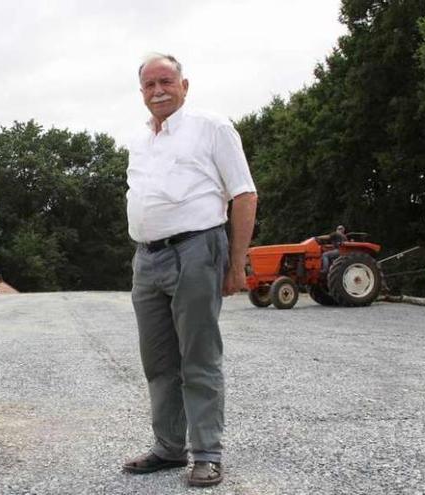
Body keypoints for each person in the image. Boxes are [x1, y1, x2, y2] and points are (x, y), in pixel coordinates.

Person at [122, 53, 258, 487]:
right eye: (149, 85)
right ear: (141, 92)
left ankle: (207, 454)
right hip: (146, 257)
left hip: (197, 249)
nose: (158, 90)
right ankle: (167, 448)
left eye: (166, 81)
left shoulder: (212, 127)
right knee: (158, 360)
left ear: (184, 84)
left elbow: (244, 194)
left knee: (198, 357)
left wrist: (236, 263)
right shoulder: (141, 141)